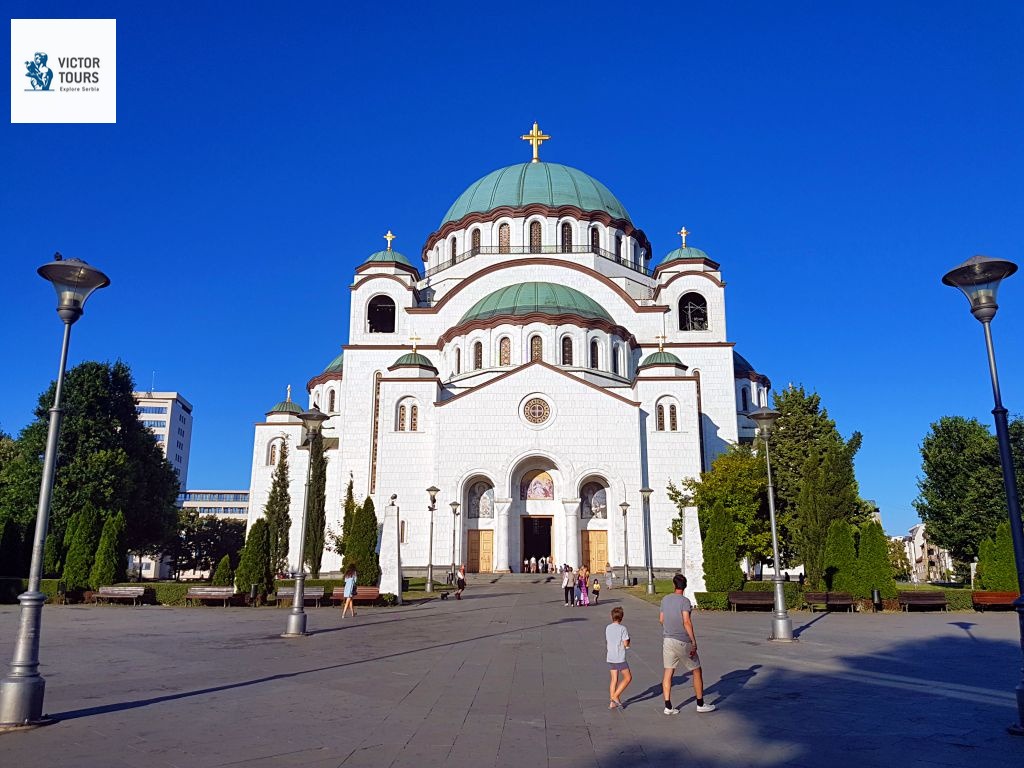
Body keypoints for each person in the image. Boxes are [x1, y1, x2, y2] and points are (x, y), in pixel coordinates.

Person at [659, 574, 716, 714]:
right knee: (696, 670)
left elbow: (661, 619)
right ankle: (700, 704)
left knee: (668, 671)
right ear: (685, 587)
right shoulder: (685, 601)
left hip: (667, 640)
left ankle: (668, 706)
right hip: (682, 640)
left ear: (674, 585)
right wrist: (693, 642)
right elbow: (686, 622)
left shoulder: (665, 599)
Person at [605, 606, 631, 708]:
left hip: (610, 656)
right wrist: (628, 643)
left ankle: (612, 702)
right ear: (622, 617)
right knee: (628, 677)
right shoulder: (622, 628)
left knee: (614, 679)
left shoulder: (608, 627)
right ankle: (615, 697)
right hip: (619, 657)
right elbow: (625, 643)